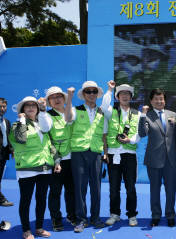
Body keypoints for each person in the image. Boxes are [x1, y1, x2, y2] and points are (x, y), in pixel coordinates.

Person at [9, 96, 59, 239]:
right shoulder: (17, 124)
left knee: (42, 199)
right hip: (26, 170)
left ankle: (39, 228)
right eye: (27, 106)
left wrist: (56, 161)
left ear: (38, 109)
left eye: (34, 105)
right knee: (26, 200)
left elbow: (50, 144)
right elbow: (21, 138)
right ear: (23, 109)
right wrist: (22, 120)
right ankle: (26, 230)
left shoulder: (43, 124)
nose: (31, 107)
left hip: (44, 168)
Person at [65, 81, 105, 232]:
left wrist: (105, 153)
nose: (92, 94)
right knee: (80, 188)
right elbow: (67, 118)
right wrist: (69, 96)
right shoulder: (76, 109)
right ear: (83, 95)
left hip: (95, 153)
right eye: (88, 91)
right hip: (79, 153)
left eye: (94, 91)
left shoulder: (102, 112)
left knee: (96, 188)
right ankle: (81, 220)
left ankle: (95, 218)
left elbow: (105, 134)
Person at [138, 88, 176, 227]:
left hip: (170, 158)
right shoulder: (148, 115)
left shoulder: (172, 114)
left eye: (161, 98)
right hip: (154, 159)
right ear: (151, 101)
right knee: (154, 189)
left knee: (171, 189)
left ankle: (170, 215)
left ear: (165, 100)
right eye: (156, 99)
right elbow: (142, 133)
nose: (159, 101)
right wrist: (143, 116)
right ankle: (155, 215)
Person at [101, 81, 141, 227]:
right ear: (117, 97)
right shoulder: (111, 111)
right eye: (121, 94)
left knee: (131, 187)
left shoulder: (138, 113)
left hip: (129, 154)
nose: (124, 96)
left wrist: (130, 139)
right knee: (113, 187)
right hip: (113, 154)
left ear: (131, 97)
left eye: (127, 94)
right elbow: (103, 106)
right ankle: (114, 214)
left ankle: (131, 215)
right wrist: (109, 90)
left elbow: (140, 133)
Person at [38, 87, 76, 231]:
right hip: (56, 161)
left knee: (71, 190)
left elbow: (70, 119)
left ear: (64, 98)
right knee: (55, 192)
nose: (57, 99)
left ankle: (72, 215)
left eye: (59, 96)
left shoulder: (70, 111)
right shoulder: (46, 115)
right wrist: (42, 110)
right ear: (49, 101)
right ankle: (56, 219)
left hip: (73, 159)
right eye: (53, 97)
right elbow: (46, 128)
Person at [0, 97, 14, 207]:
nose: (2, 108)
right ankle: (1, 199)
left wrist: (12, 151)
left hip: (3, 155)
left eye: (4, 106)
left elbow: (8, 139)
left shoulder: (7, 122)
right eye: (0, 106)